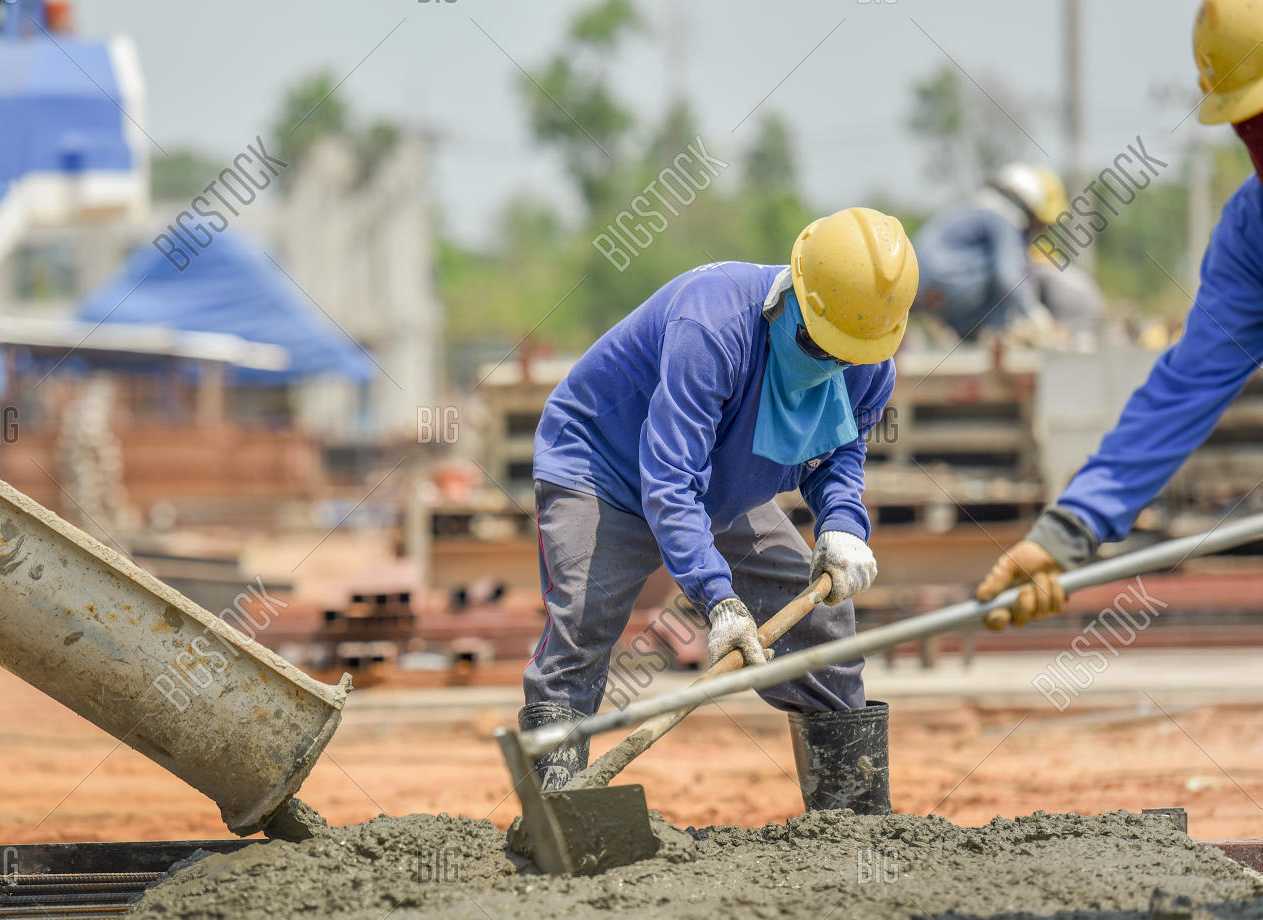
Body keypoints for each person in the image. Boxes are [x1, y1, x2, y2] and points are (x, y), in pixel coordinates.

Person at [521, 207, 918, 814]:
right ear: (794, 292)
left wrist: (841, 525)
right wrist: (718, 599)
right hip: (605, 467)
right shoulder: (712, 323)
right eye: (819, 343)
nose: (832, 363)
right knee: (582, 624)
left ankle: (853, 820)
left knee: (823, 630)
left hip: (721, 486)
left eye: (849, 354)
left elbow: (839, 459)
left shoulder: (867, 363)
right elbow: (670, 479)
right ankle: (555, 817)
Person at [976, 0, 1263, 628]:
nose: (1257, 142)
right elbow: (1183, 389)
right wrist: (1066, 530)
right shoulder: (1253, 231)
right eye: (1246, 124)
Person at [914, 163, 1069, 344]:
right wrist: (1038, 318)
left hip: (921, 288)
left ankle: (973, 336)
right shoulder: (1002, 218)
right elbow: (1008, 277)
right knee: (1011, 270)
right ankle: (993, 333)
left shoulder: (978, 208)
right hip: (944, 286)